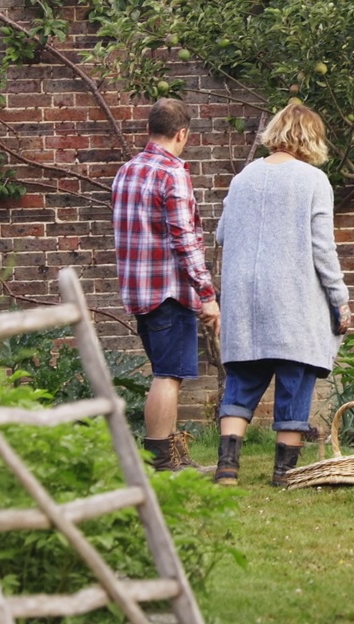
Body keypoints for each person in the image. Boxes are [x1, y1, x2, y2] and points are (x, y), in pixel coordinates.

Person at [212, 102, 351, 487]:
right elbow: (322, 248)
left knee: (242, 382)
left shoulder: (242, 178)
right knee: (295, 378)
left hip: (245, 301)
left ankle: (227, 468)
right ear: (311, 139)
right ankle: (284, 473)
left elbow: (221, 234)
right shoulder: (312, 181)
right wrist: (340, 299)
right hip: (292, 298)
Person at [112, 98, 221, 473]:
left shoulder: (126, 171)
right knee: (168, 375)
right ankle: (162, 462)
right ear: (182, 134)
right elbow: (184, 239)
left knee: (164, 370)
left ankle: (173, 456)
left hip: (139, 293)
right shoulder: (171, 173)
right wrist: (207, 294)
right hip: (170, 292)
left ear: (149, 130)